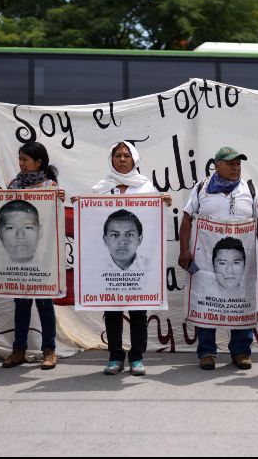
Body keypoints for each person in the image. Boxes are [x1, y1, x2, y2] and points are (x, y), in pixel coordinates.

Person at [89, 140, 171, 376]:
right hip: (110, 264)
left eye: (126, 155)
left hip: (139, 264)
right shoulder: (101, 188)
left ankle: (136, 357)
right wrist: (82, 206)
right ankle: (115, 356)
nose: (122, 159)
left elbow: (154, 220)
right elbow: (93, 221)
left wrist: (162, 204)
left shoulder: (146, 188)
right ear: (111, 160)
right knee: (112, 310)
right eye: (118, 156)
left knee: (138, 311)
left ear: (134, 160)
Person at [179, 146, 258, 372]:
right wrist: (184, 251)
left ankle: (241, 351)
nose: (236, 168)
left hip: (240, 262)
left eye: (238, 163)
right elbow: (186, 219)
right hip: (207, 261)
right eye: (230, 163)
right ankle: (206, 352)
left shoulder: (250, 189)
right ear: (216, 164)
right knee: (207, 301)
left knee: (241, 302)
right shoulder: (201, 188)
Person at [0, 142, 61, 371]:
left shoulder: (51, 186)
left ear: (39, 162)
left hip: (42, 254)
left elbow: (54, 221)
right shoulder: (13, 185)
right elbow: (1, 211)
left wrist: (60, 198)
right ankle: (19, 350)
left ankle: (49, 350)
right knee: (21, 303)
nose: (21, 163)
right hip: (19, 255)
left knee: (45, 303)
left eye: (25, 159)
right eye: (20, 159)